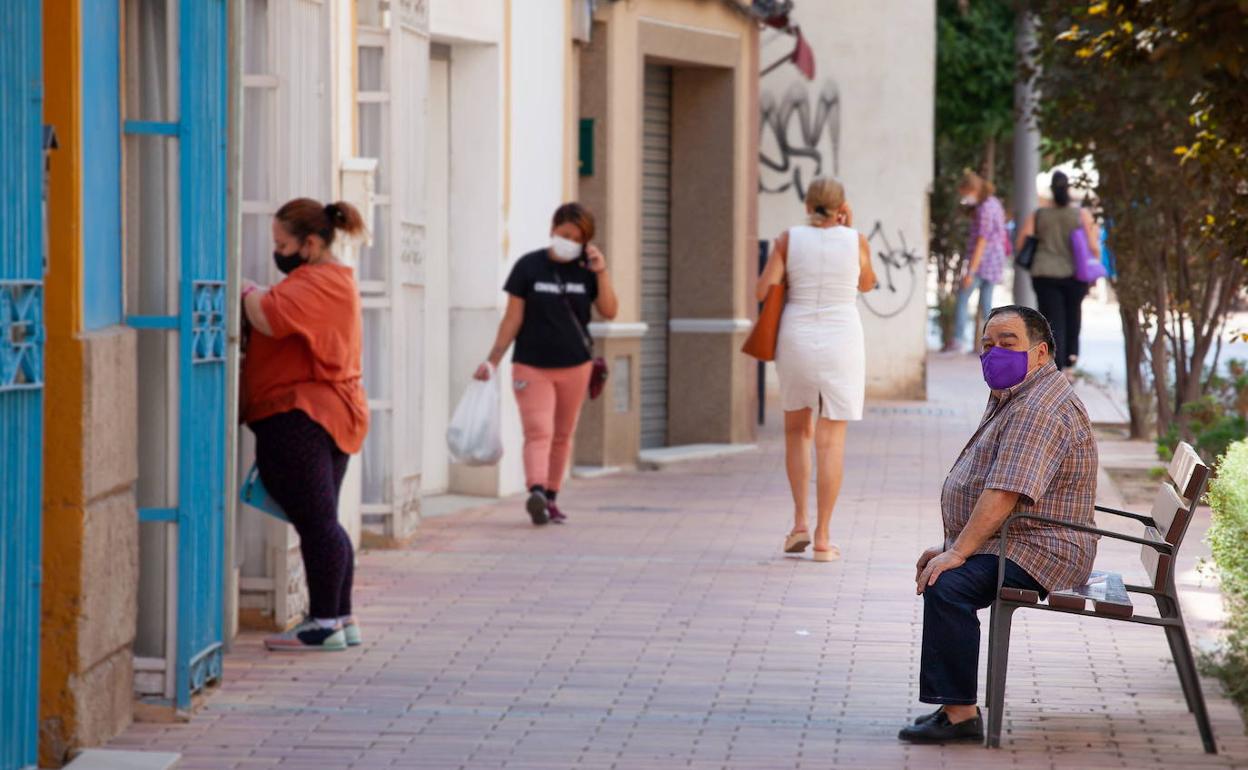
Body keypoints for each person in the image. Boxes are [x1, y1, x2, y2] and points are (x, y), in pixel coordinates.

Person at [898, 305, 1098, 743]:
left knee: (948, 585)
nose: (994, 353)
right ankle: (956, 708)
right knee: (947, 573)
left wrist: (960, 551)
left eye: (1008, 343)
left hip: (1044, 549)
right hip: (1023, 537)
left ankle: (960, 716)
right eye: (987, 345)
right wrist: (957, 543)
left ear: (1040, 352)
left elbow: (1005, 492)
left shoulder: (1038, 409)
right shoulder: (1020, 392)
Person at [241, 198, 370, 652]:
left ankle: (325, 621)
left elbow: (268, 316)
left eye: (281, 243)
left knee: (317, 523)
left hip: (304, 415)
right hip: (328, 414)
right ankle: (341, 617)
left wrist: (241, 292)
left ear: (310, 244)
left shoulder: (319, 281)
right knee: (323, 522)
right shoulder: (329, 280)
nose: (277, 251)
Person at [475, 203, 619, 526]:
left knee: (562, 434)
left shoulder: (587, 271)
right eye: (564, 234)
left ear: (586, 242)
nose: (568, 241)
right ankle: (536, 490)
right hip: (531, 365)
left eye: (576, 238)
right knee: (539, 430)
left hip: (576, 366)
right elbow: (512, 319)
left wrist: (602, 272)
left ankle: (551, 497)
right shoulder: (529, 267)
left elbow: (610, 311)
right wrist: (492, 360)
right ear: (552, 229)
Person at [759, 176, 876, 562]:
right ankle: (824, 538)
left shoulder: (788, 239)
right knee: (831, 440)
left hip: (797, 336)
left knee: (797, 431)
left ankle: (799, 524)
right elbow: (868, 283)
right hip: (843, 339)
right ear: (842, 205)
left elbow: (763, 291)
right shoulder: (856, 240)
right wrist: (851, 228)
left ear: (808, 205)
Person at [1015, 171, 1100, 372]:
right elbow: (1092, 246)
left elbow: (1021, 242)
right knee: (1073, 316)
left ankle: (1055, 364)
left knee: (1052, 320)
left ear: (1052, 191)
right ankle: (1070, 360)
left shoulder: (1039, 214)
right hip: (1075, 274)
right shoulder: (1081, 214)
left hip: (1044, 273)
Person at [951, 170, 1008, 353]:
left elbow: (982, 241)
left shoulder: (984, 209)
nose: (965, 198)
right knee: (986, 303)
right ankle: (995, 345)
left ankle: (959, 339)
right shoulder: (994, 203)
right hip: (996, 260)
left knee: (963, 297)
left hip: (983, 261)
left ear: (971, 189)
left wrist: (970, 272)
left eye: (965, 193)